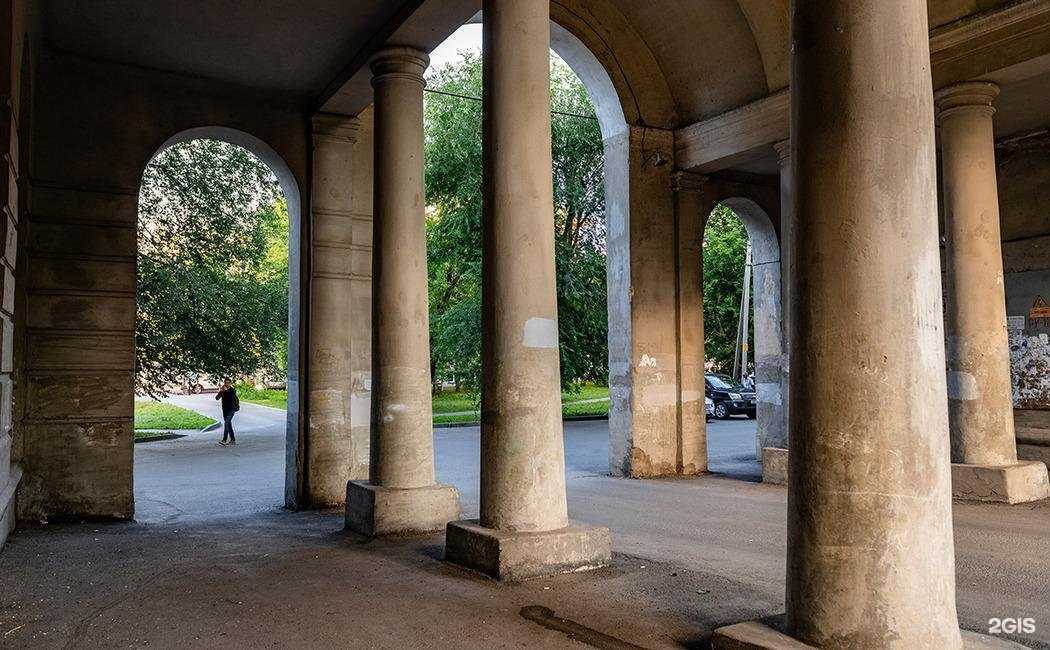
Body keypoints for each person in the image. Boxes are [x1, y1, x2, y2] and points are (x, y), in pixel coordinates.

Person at [215, 379, 240, 446]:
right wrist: (220, 391)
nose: (227, 384)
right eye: (225, 383)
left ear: (230, 383)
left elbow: (231, 398)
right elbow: (217, 398)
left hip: (232, 409)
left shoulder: (232, 390)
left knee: (226, 423)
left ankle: (224, 440)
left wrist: (225, 391)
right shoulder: (223, 390)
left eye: (228, 383)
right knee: (228, 424)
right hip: (225, 409)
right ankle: (233, 440)